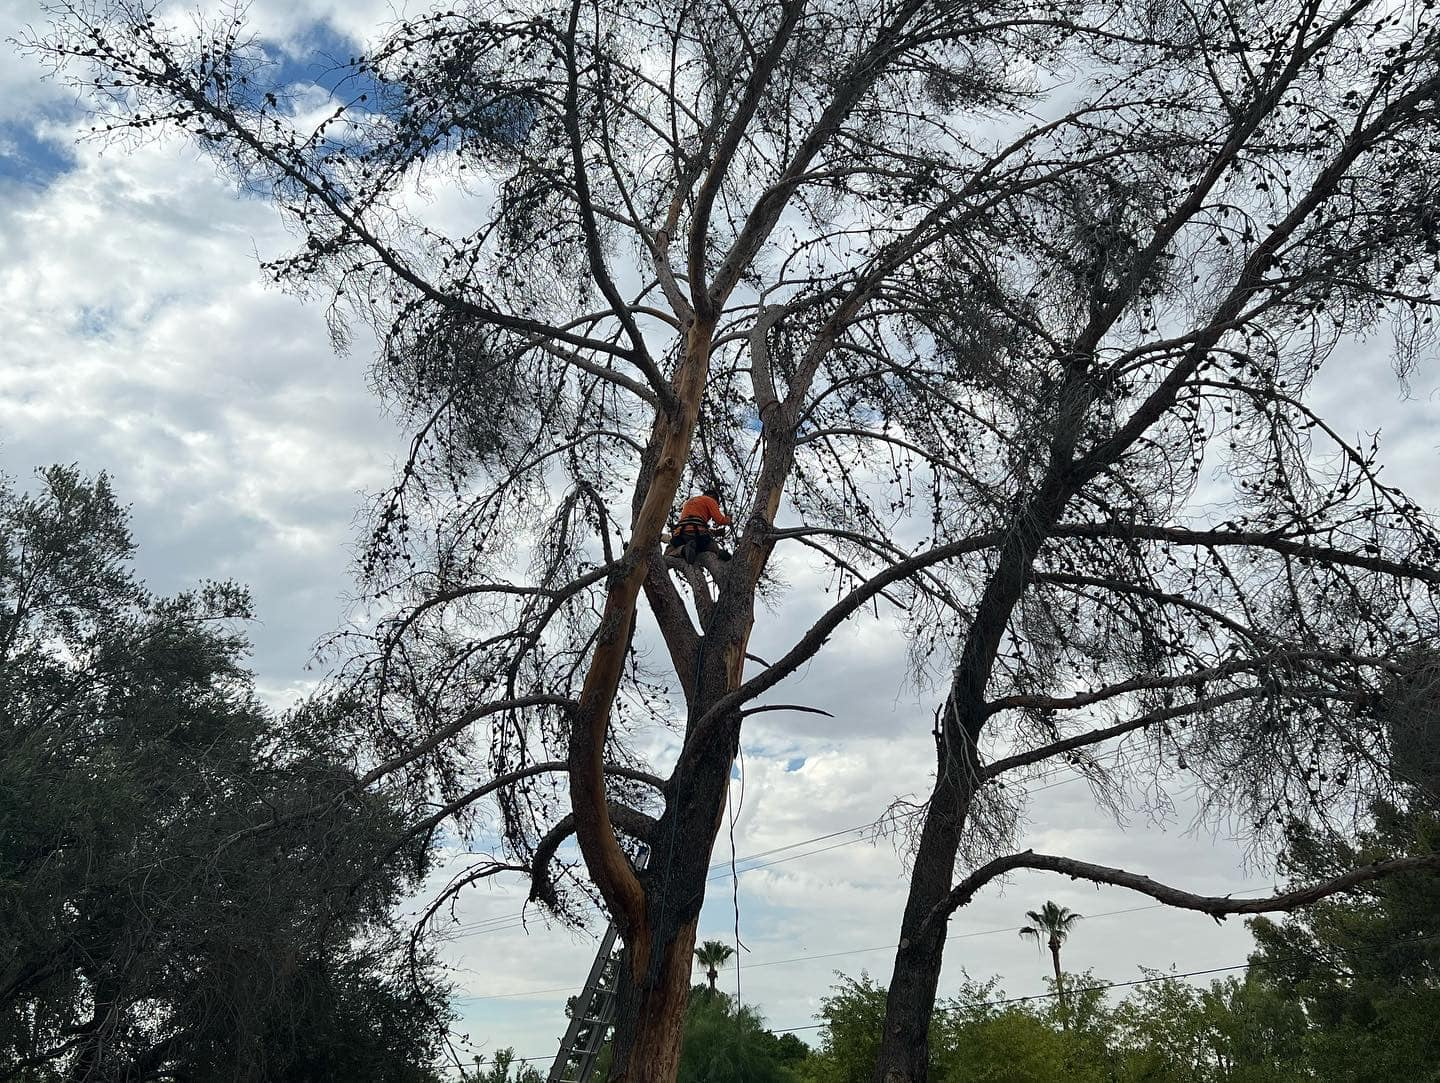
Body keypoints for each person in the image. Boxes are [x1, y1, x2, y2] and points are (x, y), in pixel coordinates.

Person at [664, 486, 732, 579]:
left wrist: (716, 532)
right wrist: (728, 519)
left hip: (680, 534)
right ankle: (720, 554)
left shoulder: (690, 502)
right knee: (710, 546)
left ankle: (683, 550)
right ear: (714, 498)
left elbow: (692, 523)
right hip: (698, 534)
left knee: (669, 553)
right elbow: (720, 520)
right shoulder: (710, 500)